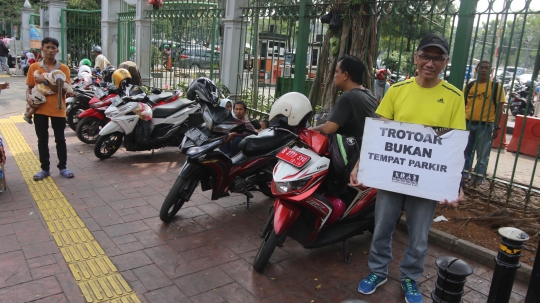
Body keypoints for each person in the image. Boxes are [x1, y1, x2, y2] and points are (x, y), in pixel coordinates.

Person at [350, 33, 465, 303]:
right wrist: (360, 164)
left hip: (427, 181)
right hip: (391, 176)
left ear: (445, 62)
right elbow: (379, 133)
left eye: (437, 58)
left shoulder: (454, 97)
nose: (430, 62)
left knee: (419, 234)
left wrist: (456, 182)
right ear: (416, 58)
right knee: (382, 227)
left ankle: (410, 277)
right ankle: (377, 271)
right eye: (425, 55)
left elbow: (454, 144)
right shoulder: (397, 91)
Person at [26, 37, 74, 180]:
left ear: (57, 50)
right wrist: (28, 98)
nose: (50, 50)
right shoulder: (34, 67)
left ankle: (63, 167)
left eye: (53, 48)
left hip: (58, 109)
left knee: (60, 139)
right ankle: (44, 169)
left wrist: (45, 81)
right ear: (42, 49)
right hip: (39, 109)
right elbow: (29, 87)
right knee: (42, 140)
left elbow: (64, 91)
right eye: (47, 47)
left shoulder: (63, 69)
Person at [311, 55, 378, 145]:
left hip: (351, 152)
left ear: (345, 75)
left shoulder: (347, 98)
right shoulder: (369, 94)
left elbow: (328, 129)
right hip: (366, 148)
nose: (334, 76)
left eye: (336, 72)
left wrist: (311, 130)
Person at [462, 60, 505, 186]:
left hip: (485, 125)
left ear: (491, 71)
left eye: (487, 68)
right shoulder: (470, 86)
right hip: (468, 123)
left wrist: (496, 127)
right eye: (482, 67)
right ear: (476, 69)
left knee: (482, 156)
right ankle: (463, 178)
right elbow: (463, 104)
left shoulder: (496, 87)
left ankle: (477, 179)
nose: (484, 70)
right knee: (465, 152)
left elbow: (500, 108)